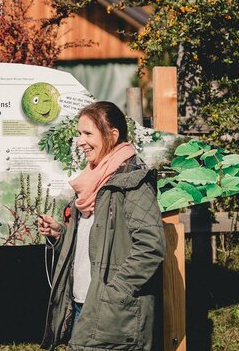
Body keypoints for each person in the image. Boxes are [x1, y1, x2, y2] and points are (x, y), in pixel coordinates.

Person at [38, 101, 165, 350]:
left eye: (87, 134)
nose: (80, 141)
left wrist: (115, 292)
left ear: (112, 135)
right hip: (82, 301)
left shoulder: (133, 182)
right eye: (79, 133)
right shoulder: (91, 182)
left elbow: (151, 246)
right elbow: (94, 242)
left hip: (113, 310)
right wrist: (60, 234)